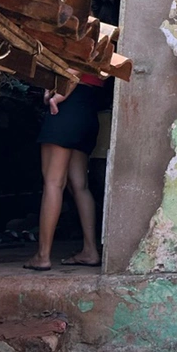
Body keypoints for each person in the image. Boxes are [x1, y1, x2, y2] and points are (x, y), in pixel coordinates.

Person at [22, 72, 105, 271]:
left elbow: (75, 67)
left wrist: (59, 93)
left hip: (67, 105)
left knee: (53, 182)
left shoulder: (88, 42)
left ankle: (43, 255)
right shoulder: (109, 45)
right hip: (88, 107)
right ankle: (90, 250)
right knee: (80, 186)